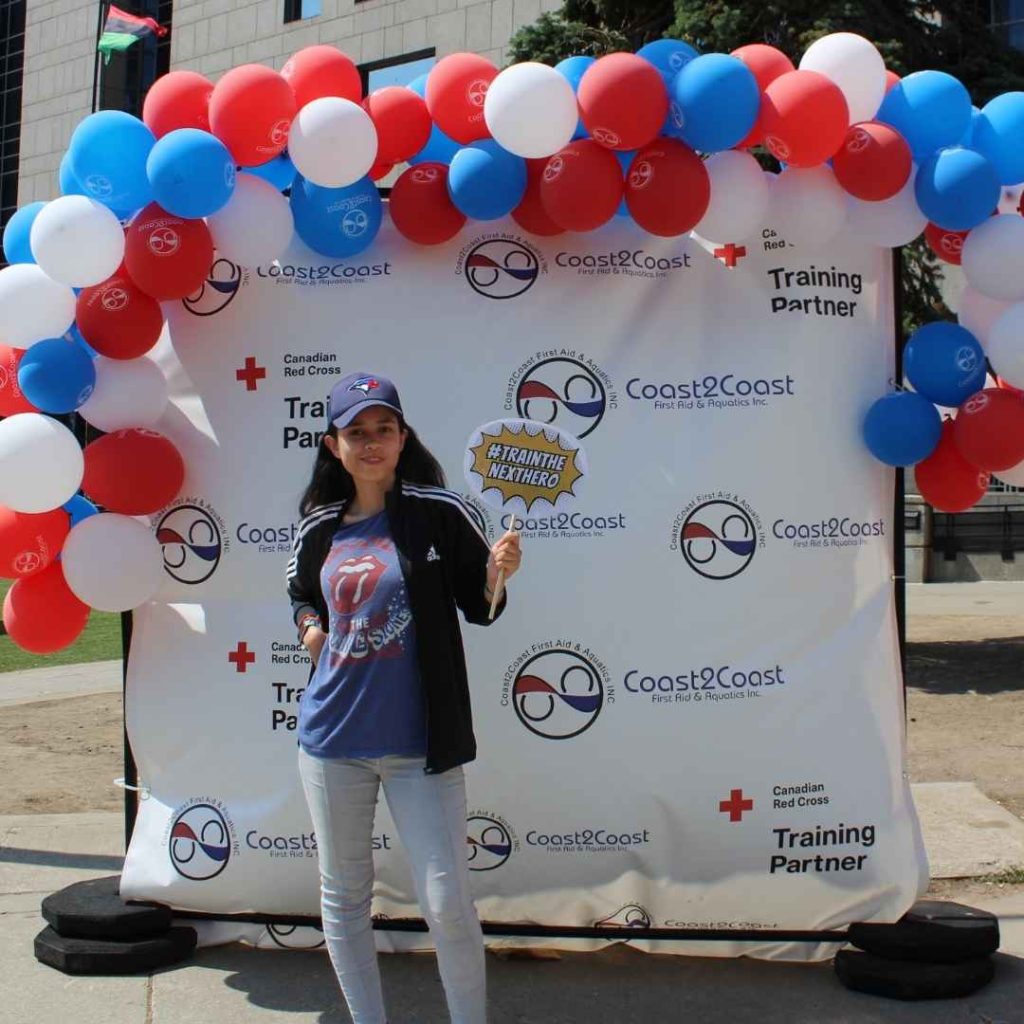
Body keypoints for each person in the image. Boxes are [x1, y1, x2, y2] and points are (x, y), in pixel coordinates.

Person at [286, 371, 521, 1024]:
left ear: (402, 436)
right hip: (332, 743)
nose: (371, 443)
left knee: (447, 903)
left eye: (383, 429)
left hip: (422, 748)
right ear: (333, 445)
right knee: (344, 899)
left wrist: (498, 575)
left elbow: (480, 606)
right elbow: (300, 592)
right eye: (356, 432)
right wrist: (309, 627)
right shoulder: (319, 527)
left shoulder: (440, 511)